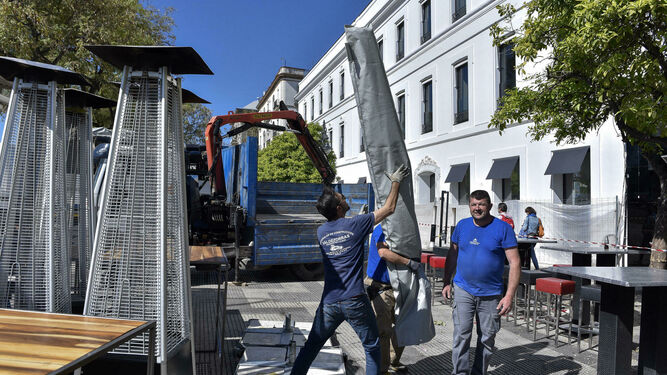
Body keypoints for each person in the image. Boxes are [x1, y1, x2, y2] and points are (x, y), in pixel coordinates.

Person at [291, 164, 409, 375]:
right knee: (371, 347)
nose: (345, 199)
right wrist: (396, 181)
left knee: (311, 347)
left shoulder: (322, 231)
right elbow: (390, 208)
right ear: (338, 208)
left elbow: (341, 233)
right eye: (342, 198)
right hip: (354, 300)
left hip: (329, 302)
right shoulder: (357, 223)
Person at [442, 190, 520, 375]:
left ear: (490, 206)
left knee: (487, 338)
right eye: (474, 205)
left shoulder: (503, 228)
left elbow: (515, 262)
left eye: (482, 204)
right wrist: (447, 282)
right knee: (462, 335)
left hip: (491, 293)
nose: (477, 208)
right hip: (463, 289)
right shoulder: (462, 226)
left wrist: (509, 296)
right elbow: (452, 254)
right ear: (469, 206)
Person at [364, 223, 420, 374]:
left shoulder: (404, 229)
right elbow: (383, 252)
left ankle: (392, 361)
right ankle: (382, 370)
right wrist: (408, 262)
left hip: (400, 287)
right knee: (383, 332)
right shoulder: (382, 229)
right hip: (381, 288)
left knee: (404, 328)